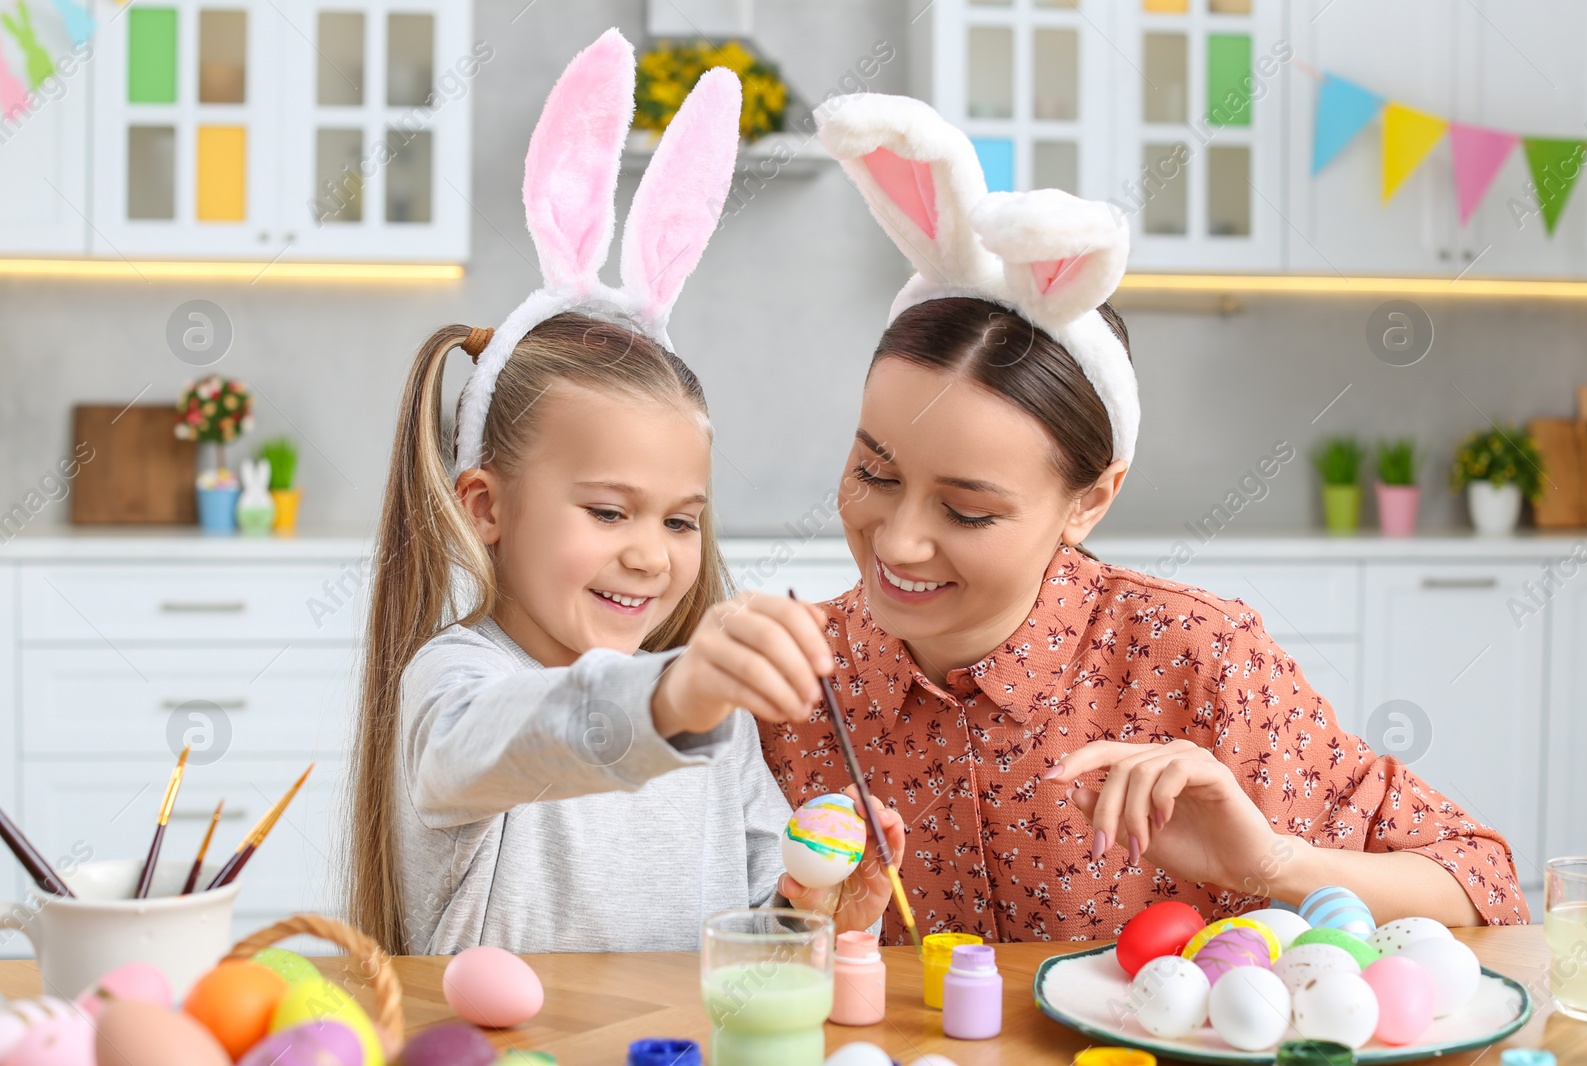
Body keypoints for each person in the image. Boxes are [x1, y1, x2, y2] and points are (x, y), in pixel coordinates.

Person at [760, 92, 1524, 944]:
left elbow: (1484, 882)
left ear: (1091, 500)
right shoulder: (795, 683)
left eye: (968, 510)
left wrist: (1268, 864)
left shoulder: (1199, 660)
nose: (898, 541)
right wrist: (799, 922)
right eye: (873, 471)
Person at [345, 31, 901, 955]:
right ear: (485, 507)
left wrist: (811, 899)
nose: (652, 553)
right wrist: (675, 693)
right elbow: (528, 734)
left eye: (681, 519)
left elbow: (752, 937)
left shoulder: (706, 720)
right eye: (608, 511)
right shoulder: (458, 686)